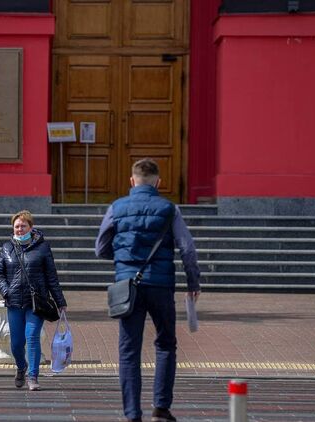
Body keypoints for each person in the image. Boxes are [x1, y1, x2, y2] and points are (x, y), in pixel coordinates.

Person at [95, 158, 201, 422]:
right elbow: (187, 248)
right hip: (162, 286)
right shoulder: (169, 208)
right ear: (158, 182)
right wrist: (193, 282)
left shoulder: (116, 207)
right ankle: (161, 408)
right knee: (166, 344)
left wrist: (123, 261)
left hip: (126, 286)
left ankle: (132, 414)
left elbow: (100, 248)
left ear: (132, 181)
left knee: (129, 350)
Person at [0, 210, 67, 391]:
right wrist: (6, 291)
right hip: (14, 301)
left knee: (32, 337)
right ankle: (21, 367)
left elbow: (52, 276)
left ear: (31, 227)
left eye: (23, 226)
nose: (19, 229)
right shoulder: (6, 247)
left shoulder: (42, 247)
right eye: (17, 226)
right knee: (16, 343)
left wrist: (60, 301)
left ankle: (33, 376)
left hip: (36, 302)